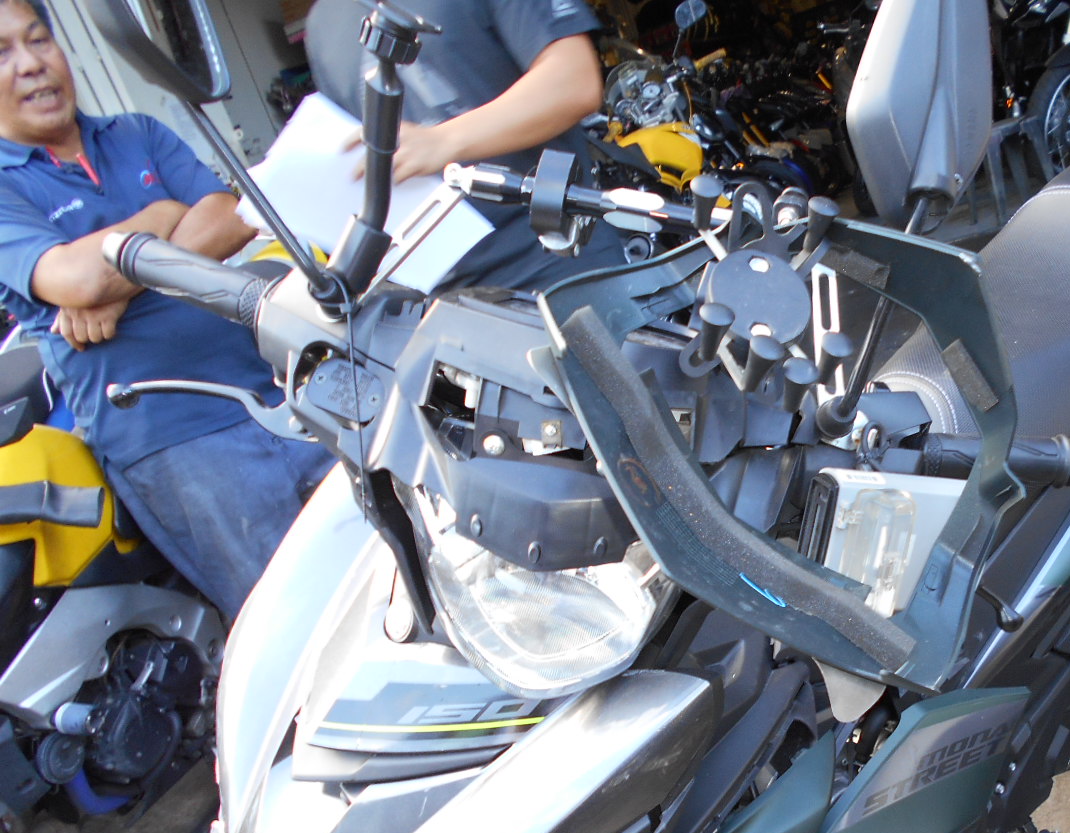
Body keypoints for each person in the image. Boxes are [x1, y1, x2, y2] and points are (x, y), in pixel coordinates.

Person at [0, 0, 330, 619]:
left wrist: (118, 279)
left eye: (39, 40)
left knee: (394, 577)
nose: (31, 64)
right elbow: (74, 278)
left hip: (277, 389)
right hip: (176, 438)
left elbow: (234, 214)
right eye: (2, 54)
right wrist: (163, 213)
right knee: (296, 622)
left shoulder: (136, 133)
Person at [305, 0, 625, 293]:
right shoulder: (321, 26)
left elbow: (573, 81)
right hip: (432, 298)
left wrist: (443, 140)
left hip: (558, 262)